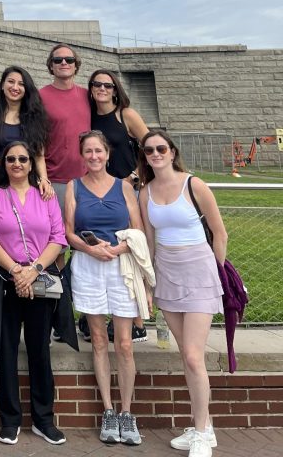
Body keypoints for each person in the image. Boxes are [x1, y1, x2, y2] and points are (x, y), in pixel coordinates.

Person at [138, 131, 227, 457]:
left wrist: (218, 270)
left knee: (193, 355)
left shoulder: (194, 184)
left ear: (172, 152)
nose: (155, 154)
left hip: (199, 272)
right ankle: (204, 425)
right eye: (149, 150)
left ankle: (202, 433)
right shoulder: (145, 193)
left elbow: (219, 232)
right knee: (186, 357)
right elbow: (148, 242)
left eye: (161, 148)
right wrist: (149, 284)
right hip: (168, 276)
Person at [0, 140, 67, 446]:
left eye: (23, 159)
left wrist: (33, 270)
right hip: (7, 280)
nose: (17, 164)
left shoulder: (46, 196)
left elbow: (58, 237)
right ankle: (10, 419)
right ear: (4, 164)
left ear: (32, 164)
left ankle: (44, 419)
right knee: (6, 351)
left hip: (39, 279)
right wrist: (17, 271)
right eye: (11, 159)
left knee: (40, 350)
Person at [64, 131, 145, 446]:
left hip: (120, 266)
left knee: (124, 343)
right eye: (88, 151)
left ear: (107, 154)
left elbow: (137, 231)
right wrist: (90, 249)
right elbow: (69, 232)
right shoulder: (73, 187)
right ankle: (108, 411)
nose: (94, 156)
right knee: (98, 340)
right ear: (82, 155)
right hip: (88, 265)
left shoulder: (124, 187)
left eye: (98, 150)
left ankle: (127, 411)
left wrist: (116, 250)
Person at [88, 69, 150, 344]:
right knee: (104, 250)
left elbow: (151, 146)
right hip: (99, 191)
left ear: (115, 89)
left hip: (127, 190)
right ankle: (102, 317)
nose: (101, 88)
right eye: (96, 84)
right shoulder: (89, 116)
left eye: (107, 85)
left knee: (129, 250)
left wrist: (135, 177)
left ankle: (137, 322)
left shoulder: (126, 115)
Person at [0, 66, 50, 201]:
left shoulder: (35, 118)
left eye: (21, 84)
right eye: (11, 82)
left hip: (24, 182)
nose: (15, 87)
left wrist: (44, 179)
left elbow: (39, 155)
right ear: (2, 85)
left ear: (26, 89)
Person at [39, 45, 90, 210]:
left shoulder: (88, 95)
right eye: (57, 60)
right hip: (54, 181)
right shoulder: (40, 97)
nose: (63, 63)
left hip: (88, 179)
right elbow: (35, 141)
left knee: (85, 233)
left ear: (76, 66)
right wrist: (43, 178)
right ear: (51, 66)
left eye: (69, 60)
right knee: (57, 234)